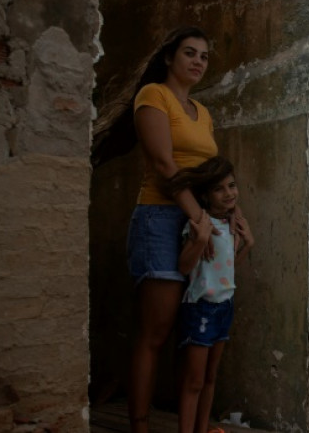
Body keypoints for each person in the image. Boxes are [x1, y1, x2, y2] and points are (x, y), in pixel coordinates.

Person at [126, 26, 218, 432]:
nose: (197, 61)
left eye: (204, 56)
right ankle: (141, 426)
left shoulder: (204, 112)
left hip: (197, 220)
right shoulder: (153, 96)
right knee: (155, 333)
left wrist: (223, 216)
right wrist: (197, 217)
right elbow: (165, 166)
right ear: (169, 58)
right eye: (189, 53)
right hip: (161, 220)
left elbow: (212, 174)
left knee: (193, 329)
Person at [167, 156, 253, 433]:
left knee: (211, 377)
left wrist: (247, 245)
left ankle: (202, 429)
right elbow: (183, 266)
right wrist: (200, 239)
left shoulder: (231, 226)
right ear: (205, 195)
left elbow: (225, 269)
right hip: (200, 308)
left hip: (224, 306)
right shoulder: (198, 225)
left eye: (232, 185)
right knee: (194, 380)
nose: (229, 193)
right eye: (219, 189)